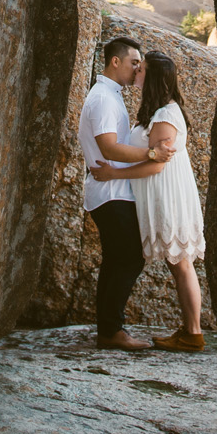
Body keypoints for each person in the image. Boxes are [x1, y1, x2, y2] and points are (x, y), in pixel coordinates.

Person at [90, 50, 206, 351]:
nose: (136, 72)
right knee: (178, 263)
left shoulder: (166, 114)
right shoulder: (158, 112)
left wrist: (113, 174)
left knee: (181, 264)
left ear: (151, 77)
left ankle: (193, 333)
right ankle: (189, 331)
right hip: (158, 193)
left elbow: (157, 164)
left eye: (141, 69)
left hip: (168, 196)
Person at [78, 36, 179, 351]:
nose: (138, 69)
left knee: (116, 260)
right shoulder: (105, 99)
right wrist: (152, 155)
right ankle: (112, 330)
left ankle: (108, 329)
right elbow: (109, 147)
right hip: (110, 192)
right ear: (115, 61)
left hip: (110, 189)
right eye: (134, 63)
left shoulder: (109, 95)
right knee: (131, 258)